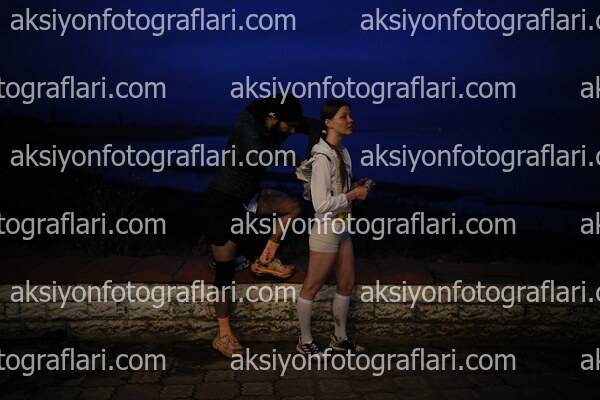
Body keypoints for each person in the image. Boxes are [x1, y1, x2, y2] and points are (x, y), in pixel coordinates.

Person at [204, 94, 321, 358]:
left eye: (295, 126)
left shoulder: (281, 121)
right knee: (224, 271)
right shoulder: (246, 124)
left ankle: (265, 259)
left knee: (293, 207)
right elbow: (256, 155)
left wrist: (311, 156)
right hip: (224, 201)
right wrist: (292, 159)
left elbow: (315, 125)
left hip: (250, 197)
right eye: (289, 126)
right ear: (273, 118)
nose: (293, 131)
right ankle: (223, 335)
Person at [296, 100, 373, 356]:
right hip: (326, 230)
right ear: (329, 123)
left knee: (346, 283)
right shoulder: (321, 158)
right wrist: (352, 196)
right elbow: (320, 204)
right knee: (312, 287)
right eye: (344, 116)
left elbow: (337, 191)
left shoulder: (343, 152)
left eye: (350, 115)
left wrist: (355, 187)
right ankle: (304, 341)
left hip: (342, 227)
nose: (350, 120)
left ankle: (340, 339)